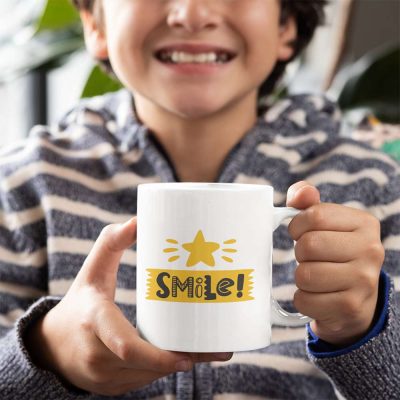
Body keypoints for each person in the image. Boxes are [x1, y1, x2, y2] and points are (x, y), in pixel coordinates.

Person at [0, 0, 399, 398]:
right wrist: (42, 352)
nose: (192, 14)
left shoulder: (376, 189)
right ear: (94, 24)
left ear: (287, 24)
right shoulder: (21, 189)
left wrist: (363, 331)